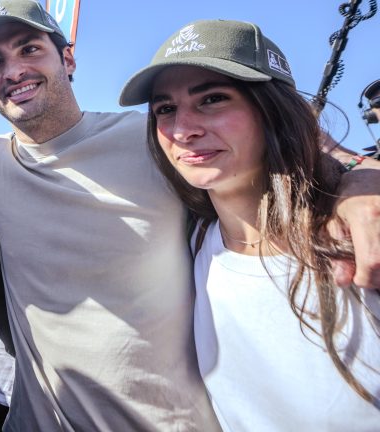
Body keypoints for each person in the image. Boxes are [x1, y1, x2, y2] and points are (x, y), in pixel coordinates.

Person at [0, 1, 380, 430]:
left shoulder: (158, 137)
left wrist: (361, 183)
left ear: (68, 58)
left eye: (29, 49)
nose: (13, 70)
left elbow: (290, 144)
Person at [118, 18, 380, 429]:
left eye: (213, 99)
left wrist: (362, 179)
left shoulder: (359, 242)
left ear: (272, 110)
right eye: (165, 109)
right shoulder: (192, 240)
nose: (183, 130)